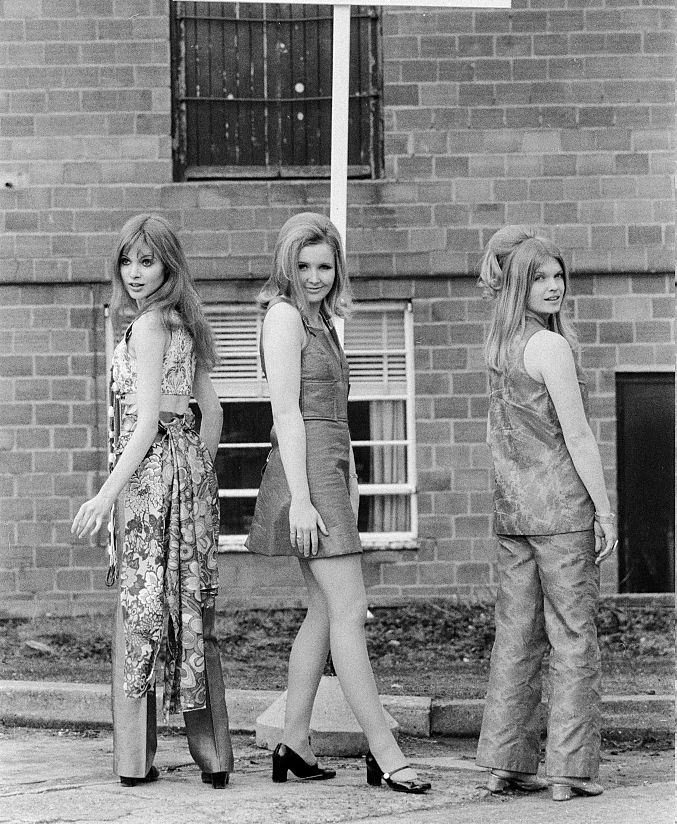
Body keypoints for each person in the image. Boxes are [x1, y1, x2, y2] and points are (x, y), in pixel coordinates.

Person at [245, 212, 430, 794]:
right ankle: (383, 748)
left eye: (324, 265)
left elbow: (332, 415)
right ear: (285, 265)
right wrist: (302, 499)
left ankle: (294, 742)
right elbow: (287, 414)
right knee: (349, 608)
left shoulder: (320, 320)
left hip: (327, 470)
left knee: (325, 612)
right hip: (306, 475)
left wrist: (347, 477)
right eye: (303, 265)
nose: (315, 276)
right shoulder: (282, 317)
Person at [71, 214, 233, 790]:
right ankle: (213, 758)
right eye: (128, 260)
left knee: (139, 613)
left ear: (169, 264)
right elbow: (212, 413)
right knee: (193, 611)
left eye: (148, 261)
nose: (135, 273)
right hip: (188, 474)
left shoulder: (146, 328)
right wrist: (194, 471)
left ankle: (134, 762)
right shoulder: (188, 323)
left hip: (144, 479)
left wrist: (105, 493)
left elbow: (141, 426)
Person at [475, 226, 618, 802]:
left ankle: (504, 764)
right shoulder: (551, 347)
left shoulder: (500, 345)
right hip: (560, 510)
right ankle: (568, 770)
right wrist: (605, 511)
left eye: (559, 275)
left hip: (512, 511)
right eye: (540, 277)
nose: (554, 286)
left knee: (515, 637)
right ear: (520, 282)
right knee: (574, 638)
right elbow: (578, 435)